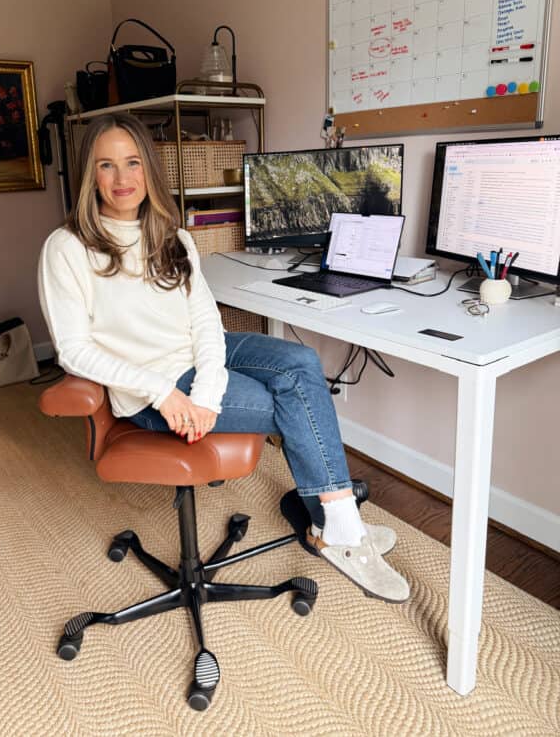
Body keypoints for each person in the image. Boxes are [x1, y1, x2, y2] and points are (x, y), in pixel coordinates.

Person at [38, 113, 410, 603]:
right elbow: (74, 349)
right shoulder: (67, 248)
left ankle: (334, 524)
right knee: (286, 400)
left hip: (196, 360)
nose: (122, 179)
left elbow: (205, 323)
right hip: (152, 389)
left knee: (300, 363)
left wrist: (207, 392)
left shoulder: (173, 236)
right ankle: (338, 526)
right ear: (91, 175)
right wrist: (168, 395)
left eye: (132, 163)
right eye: (107, 165)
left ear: (149, 169)